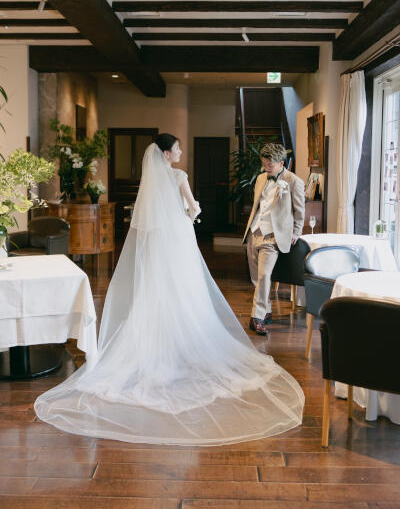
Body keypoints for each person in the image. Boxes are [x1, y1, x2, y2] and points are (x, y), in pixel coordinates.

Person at [34, 134, 304, 446]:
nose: (180, 151)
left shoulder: (150, 183)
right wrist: (190, 214)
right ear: (166, 153)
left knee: (157, 294)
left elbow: (145, 221)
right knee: (186, 293)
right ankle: (186, 345)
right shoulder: (179, 176)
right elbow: (193, 209)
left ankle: (155, 346)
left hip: (159, 248)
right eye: (176, 148)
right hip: (179, 244)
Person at [243, 143, 305, 336]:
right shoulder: (261, 178)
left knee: (264, 277)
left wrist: (296, 231)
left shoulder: (294, 181)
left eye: (270, 165)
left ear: (281, 163)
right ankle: (266, 310)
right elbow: (259, 204)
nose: (266, 168)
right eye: (264, 164)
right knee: (256, 278)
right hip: (254, 232)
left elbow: (299, 210)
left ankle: (257, 317)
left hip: (273, 236)